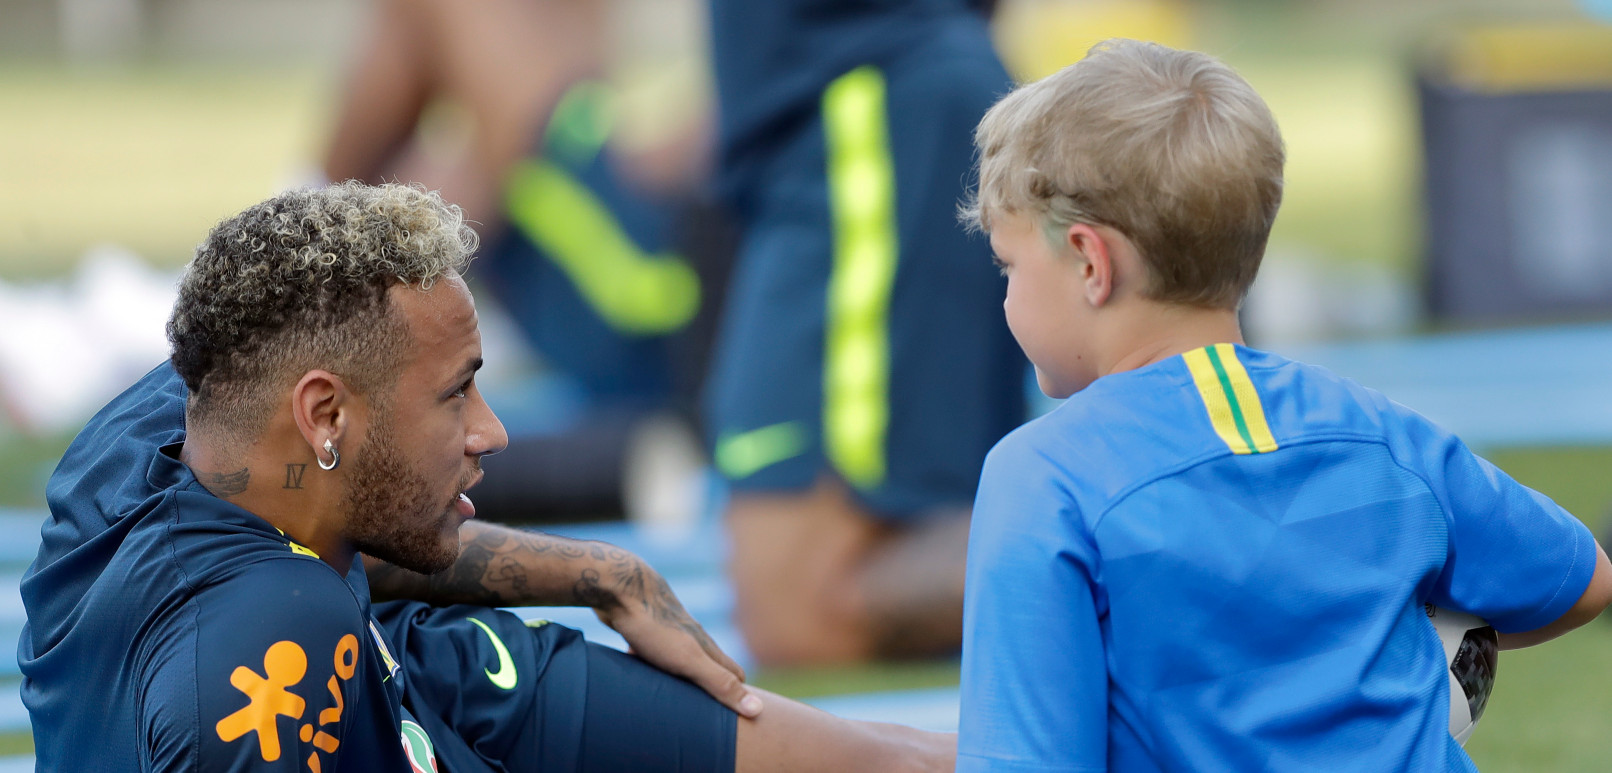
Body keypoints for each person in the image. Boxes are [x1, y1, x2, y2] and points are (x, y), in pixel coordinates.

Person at [19, 182, 952, 771]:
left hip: (414, 663)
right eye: (456, 392)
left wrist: (599, 571)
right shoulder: (264, 655)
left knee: (902, 760)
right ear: (326, 413)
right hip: (369, 704)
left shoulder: (186, 417)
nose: (492, 431)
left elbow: (306, 535)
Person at [955, 39, 1612, 771]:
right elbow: (1582, 581)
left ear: (1089, 261)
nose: (1006, 294)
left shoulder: (1042, 476)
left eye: (1009, 265)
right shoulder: (1374, 432)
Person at [702, 0, 1026, 665]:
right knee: (802, 600)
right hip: (843, 112)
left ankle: (1169, 540)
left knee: (803, 605)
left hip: (871, 103)